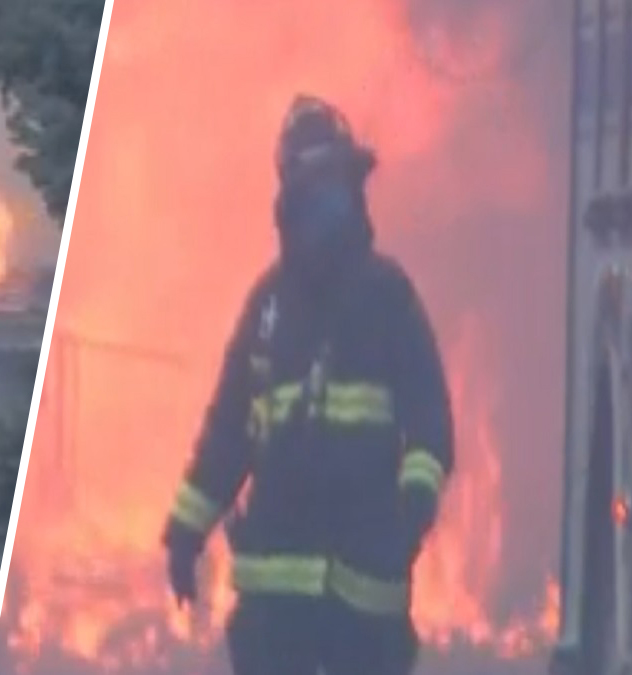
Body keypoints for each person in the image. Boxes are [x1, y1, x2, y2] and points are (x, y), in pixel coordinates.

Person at [161, 94, 455, 675]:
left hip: (365, 592)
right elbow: (228, 432)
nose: (327, 206)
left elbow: (430, 423)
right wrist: (185, 531)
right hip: (276, 602)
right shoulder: (267, 305)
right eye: (314, 191)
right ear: (289, 198)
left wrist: (411, 510)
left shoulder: (385, 295)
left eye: (336, 189)